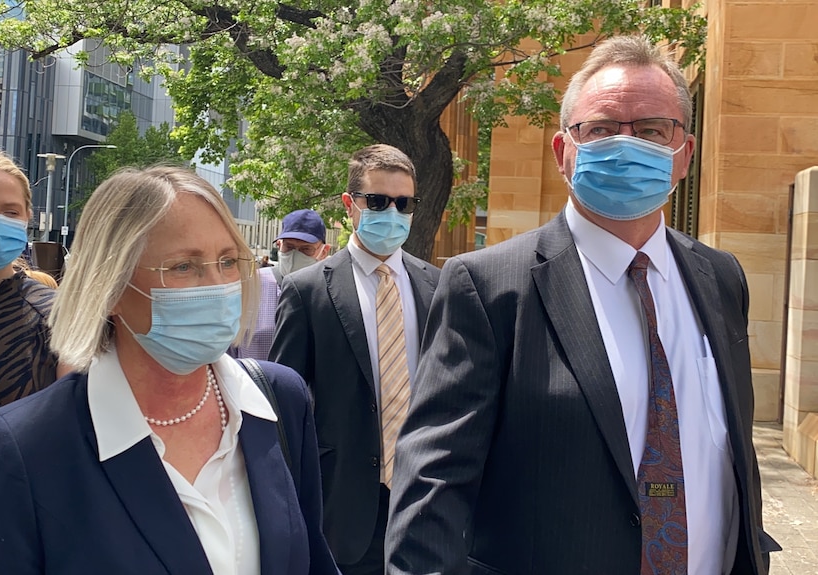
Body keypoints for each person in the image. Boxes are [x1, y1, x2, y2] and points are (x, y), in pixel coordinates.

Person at [386, 36, 780, 575]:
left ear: (684, 154)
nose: (625, 144)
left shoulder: (721, 277)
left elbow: (730, 453)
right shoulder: (488, 287)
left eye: (650, 130)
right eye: (599, 129)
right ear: (562, 153)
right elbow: (433, 485)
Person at [0, 166, 339, 575]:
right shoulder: (27, 446)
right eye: (182, 267)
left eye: (228, 261)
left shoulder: (278, 398)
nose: (217, 285)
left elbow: (311, 556)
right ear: (111, 287)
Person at [270, 144, 440, 575]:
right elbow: (282, 405)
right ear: (350, 205)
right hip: (340, 505)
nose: (393, 212)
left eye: (404, 203)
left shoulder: (439, 287)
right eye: (378, 201)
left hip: (426, 502)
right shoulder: (308, 290)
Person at [0, 149, 66, 532]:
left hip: (27, 508)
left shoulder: (57, 312)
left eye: (10, 211)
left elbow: (81, 414)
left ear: (27, 220)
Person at [230, 209, 330, 360]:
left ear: (323, 251)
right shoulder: (251, 286)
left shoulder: (330, 294)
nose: (296, 255)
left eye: (306, 249)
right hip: (252, 381)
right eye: (289, 247)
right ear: (279, 244)